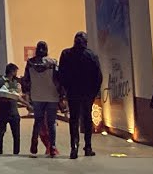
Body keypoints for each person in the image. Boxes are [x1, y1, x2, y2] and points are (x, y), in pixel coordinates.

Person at [58, 31, 101, 159]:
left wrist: (65, 90)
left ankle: (74, 147)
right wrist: (94, 92)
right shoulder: (92, 55)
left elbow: (61, 74)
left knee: (74, 120)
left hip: (73, 92)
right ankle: (88, 147)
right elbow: (98, 76)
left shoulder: (66, 54)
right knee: (87, 119)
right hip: (87, 93)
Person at [22, 41, 61, 158]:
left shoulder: (30, 63)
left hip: (37, 95)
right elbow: (58, 79)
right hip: (52, 95)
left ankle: (34, 142)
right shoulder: (53, 63)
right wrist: (61, 94)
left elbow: (26, 80)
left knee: (38, 121)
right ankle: (52, 147)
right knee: (51, 123)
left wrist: (27, 94)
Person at [0, 63, 23, 156]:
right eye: (15, 71)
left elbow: (18, 96)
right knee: (0, 133)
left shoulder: (15, 82)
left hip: (14, 112)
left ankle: (16, 152)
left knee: (16, 134)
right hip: (3, 111)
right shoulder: (0, 81)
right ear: (11, 71)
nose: (16, 73)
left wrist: (27, 104)